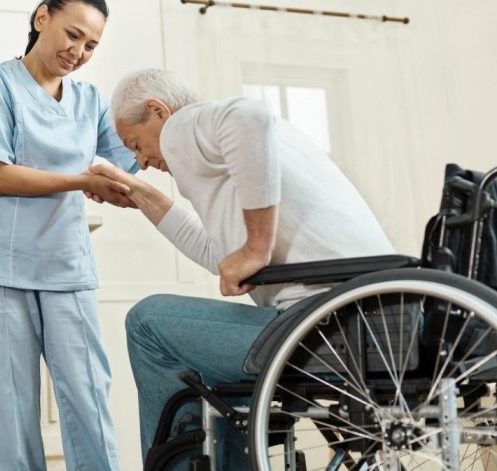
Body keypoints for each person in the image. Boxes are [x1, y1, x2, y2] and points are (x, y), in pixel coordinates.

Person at [88, 68, 395, 469]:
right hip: (372, 321)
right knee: (215, 378)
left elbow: (249, 118)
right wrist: (140, 193)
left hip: (325, 327)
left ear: (158, 110)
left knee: (147, 323)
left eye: (135, 144)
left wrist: (256, 246)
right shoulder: (252, 149)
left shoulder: (186, 125)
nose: (142, 162)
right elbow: (214, 251)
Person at [0, 0, 139, 471]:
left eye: (91, 45)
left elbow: (133, 159)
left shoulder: (90, 100)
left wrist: (179, 131)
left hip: (64, 259)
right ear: (41, 19)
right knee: (11, 403)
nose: (78, 51)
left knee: (89, 392)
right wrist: (80, 179)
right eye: (72, 35)